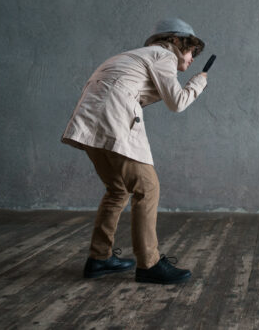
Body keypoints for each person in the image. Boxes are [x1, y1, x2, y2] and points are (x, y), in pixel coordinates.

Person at [62, 18, 208, 284]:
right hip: (112, 118)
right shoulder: (163, 55)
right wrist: (198, 83)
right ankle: (149, 264)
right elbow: (177, 103)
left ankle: (100, 258)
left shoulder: (135, 55)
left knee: (118, 189)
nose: (192, 58)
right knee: (147, 188)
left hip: (89, 119)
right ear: (175, 41)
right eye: (191, 50)